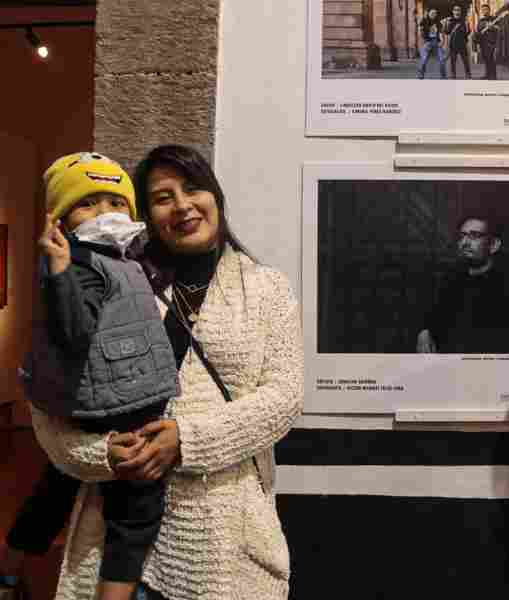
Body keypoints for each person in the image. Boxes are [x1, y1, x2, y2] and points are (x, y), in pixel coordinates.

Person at [29, 144, 304, 600]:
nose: (182, 205)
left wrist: (186, 439)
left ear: (215, 196)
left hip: (222, 544)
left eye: (193, 188)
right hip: (113, 548)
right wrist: (105, 455)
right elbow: (50, 404)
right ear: (146, 215)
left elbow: (285, 396)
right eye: (162, 197)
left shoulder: (265, 288)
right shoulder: (105, 278)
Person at [4, 152, 179, 600]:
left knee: (56, 489)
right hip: (118, 405)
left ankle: (10, 564)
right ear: (62, 219)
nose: (105, 213)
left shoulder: (123, 257)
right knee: (135, 512)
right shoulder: (78, 262)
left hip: (121, 394)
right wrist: (60, 270)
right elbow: (74, 330)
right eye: (88, 204)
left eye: (114, 202)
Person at [417, 215, 509, 353]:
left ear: (494, 245)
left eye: (474, 236)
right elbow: (433, 316)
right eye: (462, 236)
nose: (464, 242)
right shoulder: (449, 280)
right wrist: (424, 332)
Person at [416, 8, 447, 80]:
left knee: (442, 60)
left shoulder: (438, 22)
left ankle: (443, 76)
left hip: (436, 42)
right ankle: (421, 74)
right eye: (432, 13)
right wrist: (422, 42)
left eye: (435, 13)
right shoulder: (423, 21)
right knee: (424, 60)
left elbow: (441, 33)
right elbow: (420, 32)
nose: (434, 14)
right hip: (427, 42)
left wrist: (442, 42)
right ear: (428, 13)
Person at [443, 5, 472, 80]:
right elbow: (446, 32)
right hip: (453, 44)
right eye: (455, 10)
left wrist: (466, 29)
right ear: (453, 12)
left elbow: (468, 32)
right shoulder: (449, 21)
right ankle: (453, 75)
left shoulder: (464, 21)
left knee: (465, 61)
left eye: (458, 10)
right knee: (453, 61)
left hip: (462, 44)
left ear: (460, 12)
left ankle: (468, 74)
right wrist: (445, 24)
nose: (457, 11)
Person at [473, 4, 499, 80]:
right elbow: (478, 32)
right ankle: (487, 74)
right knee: (486, 59)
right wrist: (476, 41)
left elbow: (499, 28)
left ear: (489, 10)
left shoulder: (494, 19)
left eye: (486, 9)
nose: (484, 11)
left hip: (492, 42)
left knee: (491, 59)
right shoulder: (480, 21)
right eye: (483, 10)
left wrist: (492, 27)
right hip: (483, 43)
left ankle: (493, 76)